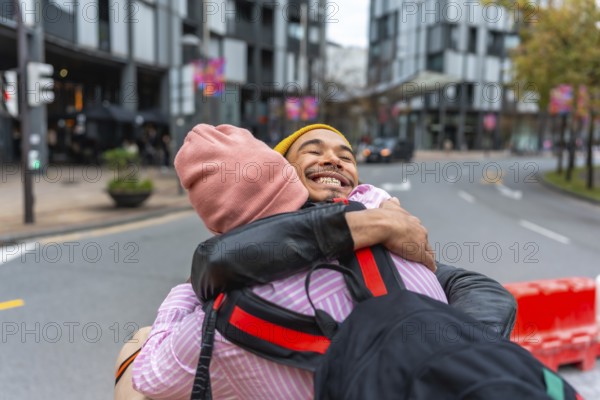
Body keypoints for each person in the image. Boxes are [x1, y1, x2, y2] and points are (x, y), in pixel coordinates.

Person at [130, 124, 515, 399]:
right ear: (285, 173)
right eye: (313, 152)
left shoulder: (221, 319)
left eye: (345, 157)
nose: (332, 160)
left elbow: (147, 381)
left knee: (133, 357)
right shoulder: (390, 236)